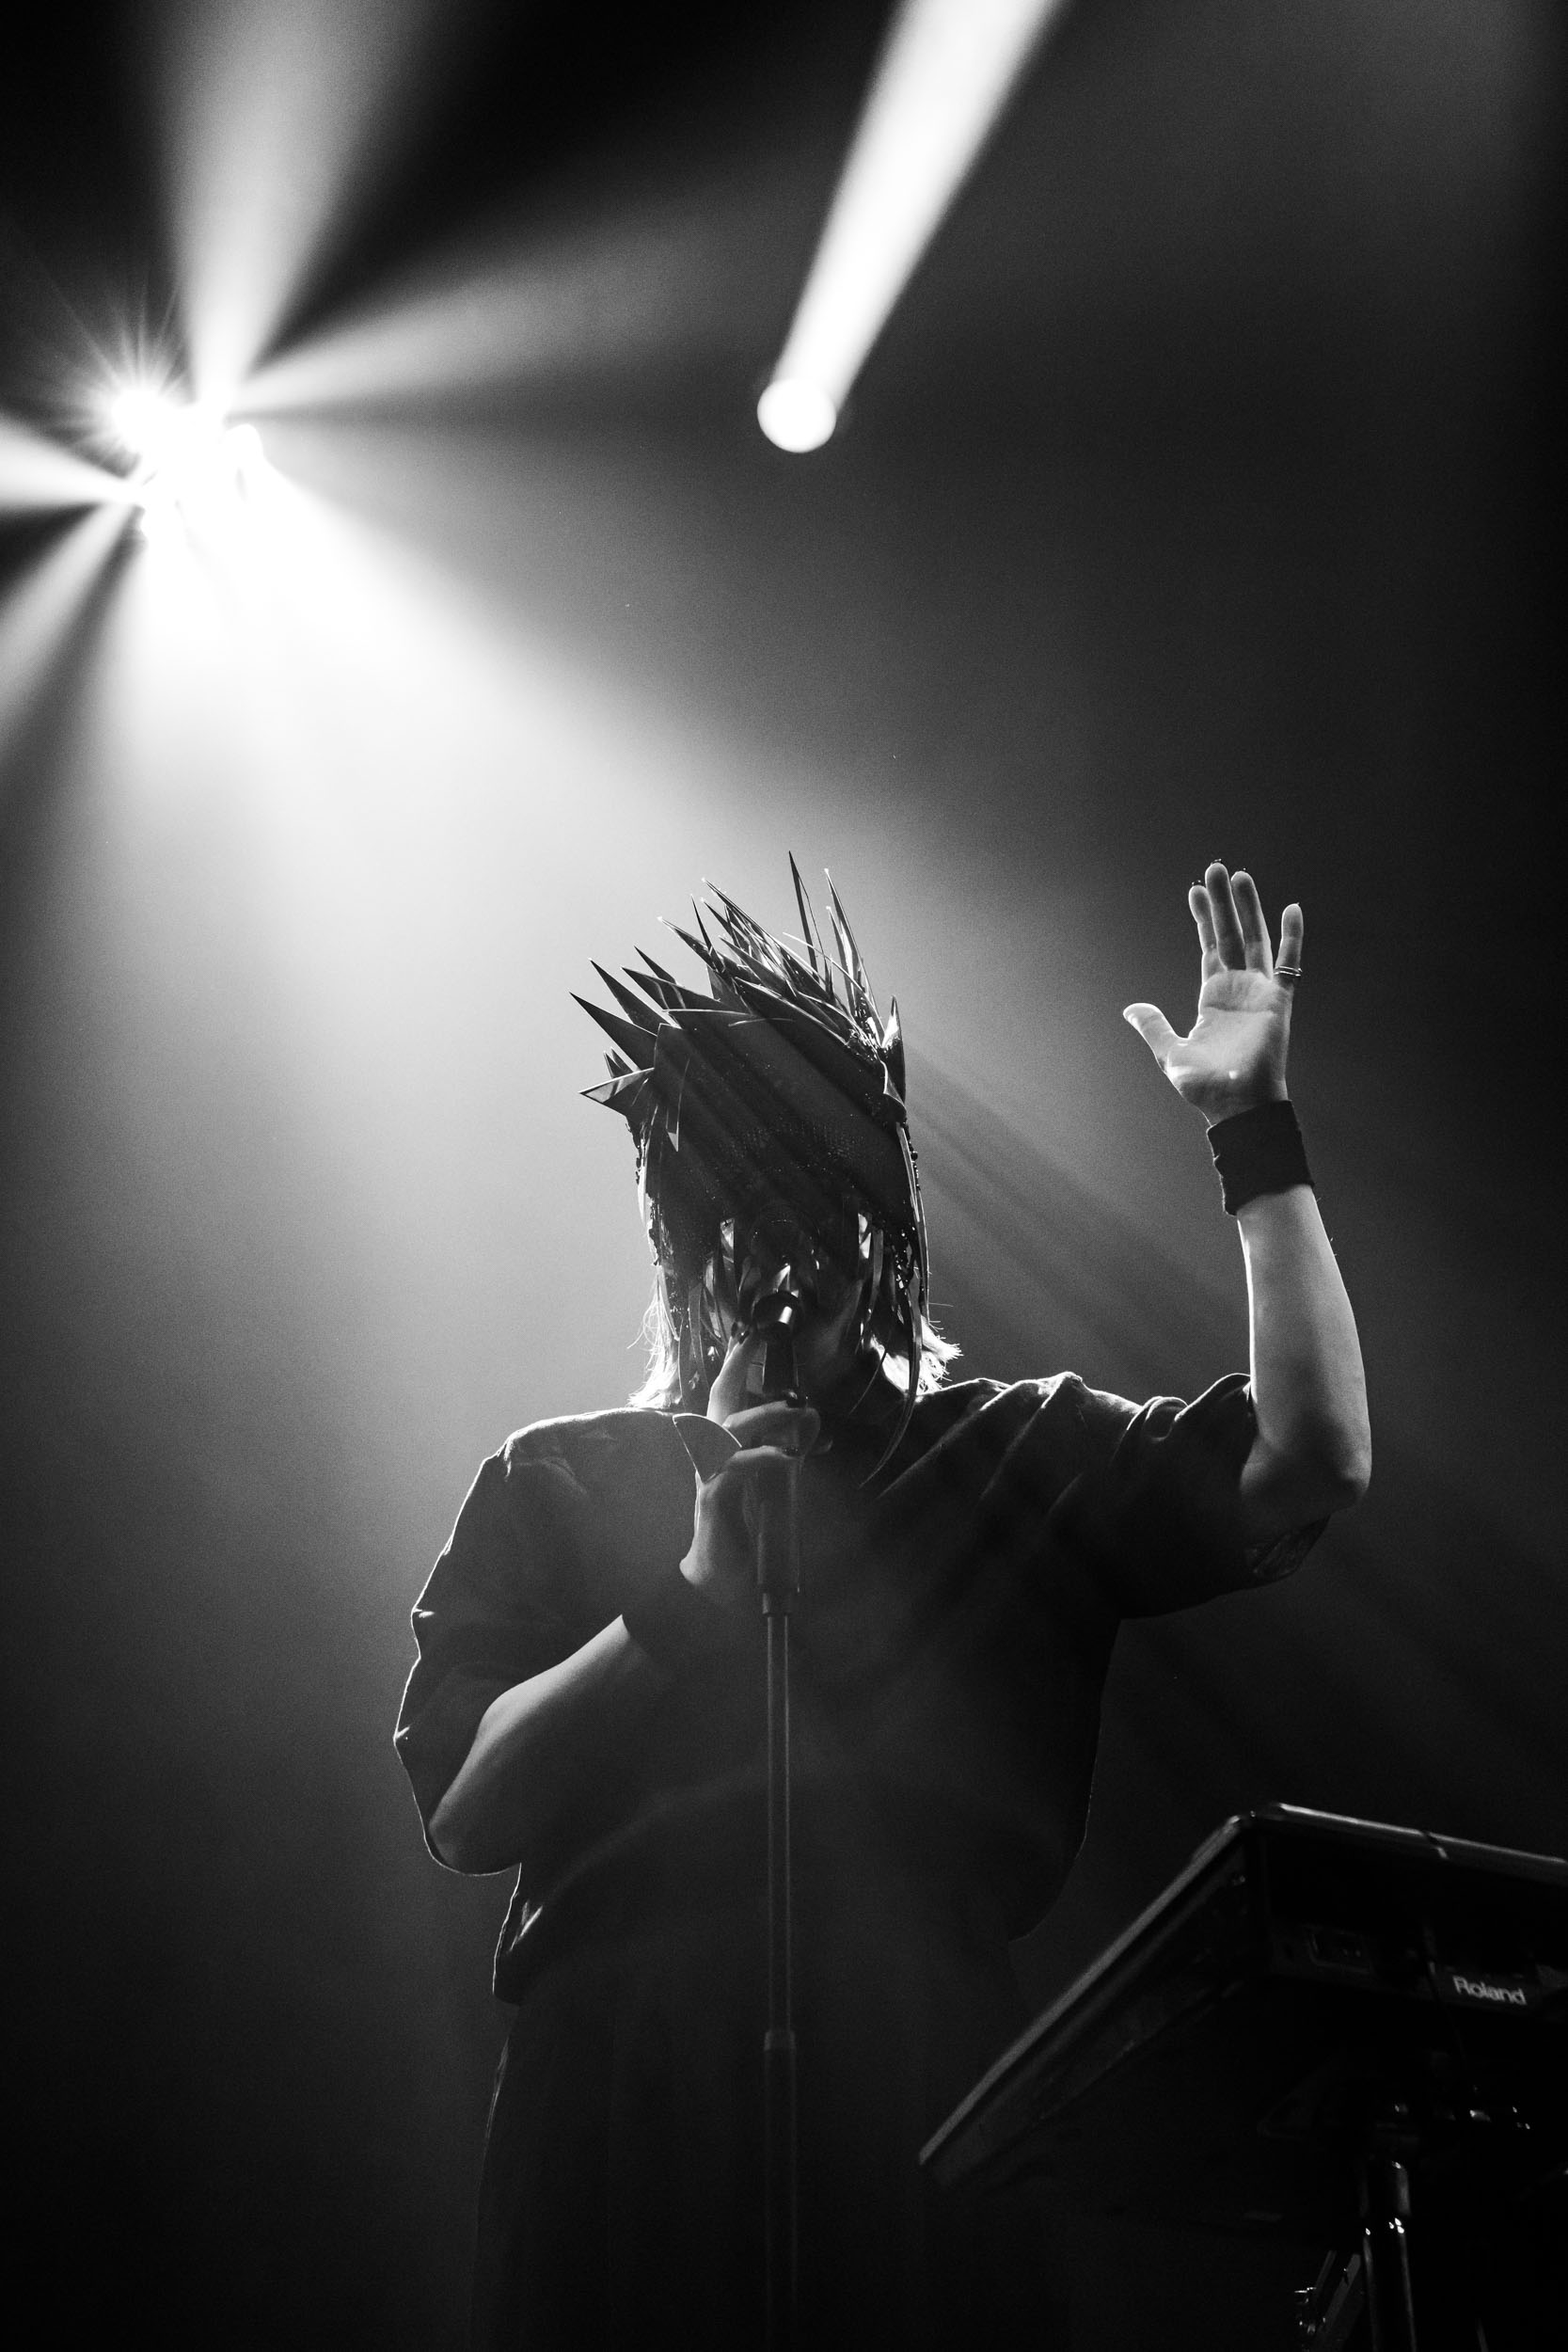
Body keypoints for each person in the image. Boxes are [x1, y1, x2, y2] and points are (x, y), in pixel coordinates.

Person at [395, 859, 1370, 2349]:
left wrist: (1253, 1133)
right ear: (680, 1239)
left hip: (919, 2084)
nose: (782, 1258)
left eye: (821, 1205)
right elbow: (467, 1807)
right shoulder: (560, 1479)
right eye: (738, 1214)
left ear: (885, 1219)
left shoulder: (1014, 1452)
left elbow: (1310, 1459)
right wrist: (688, 1600)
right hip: (620, 2103)